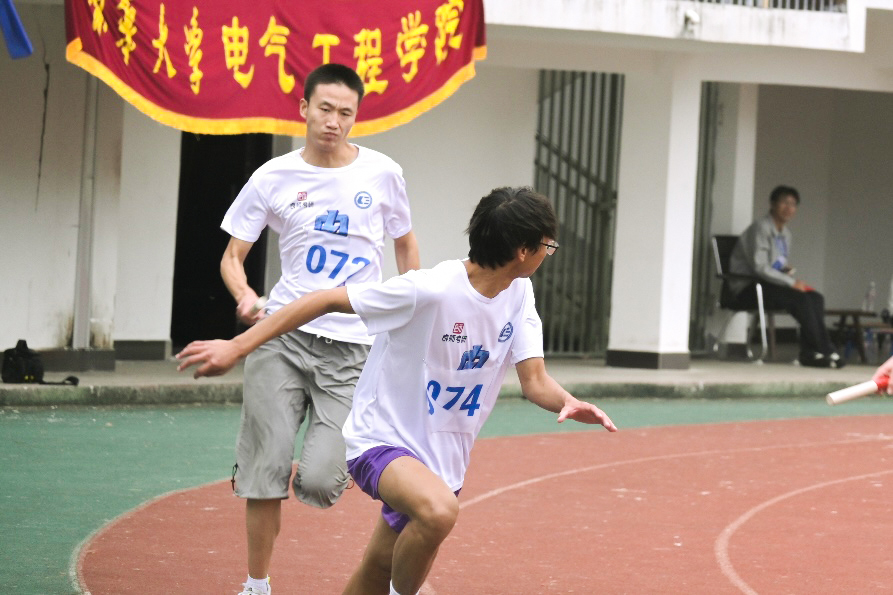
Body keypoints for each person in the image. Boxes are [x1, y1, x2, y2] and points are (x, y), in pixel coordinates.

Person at [178, 186, 617, 595]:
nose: (548, 253)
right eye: (548, 246)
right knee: (438, 512)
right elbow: (323, 300)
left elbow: (534, 381)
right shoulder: (429, 289)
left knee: (376, 568)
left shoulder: (519, 294)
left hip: (443, 457)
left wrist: (567, 401)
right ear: (524, 250)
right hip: (381, 439)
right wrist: (237, 346)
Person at [218, 63, 420, 595]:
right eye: (325, 109)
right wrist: (245, 296)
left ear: (356, 117)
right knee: (265, 469)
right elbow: (233, 256)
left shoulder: (383, 174)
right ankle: (256, 584)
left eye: (345, 113)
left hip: (352, 348)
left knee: (320, 482)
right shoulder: (273, 176)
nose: (334, 121)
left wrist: (408, 306)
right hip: (281, 336)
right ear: (304, 108)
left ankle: (317, 473)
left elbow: (404, 243)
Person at [728, 185, 842, 368]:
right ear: (773, 204)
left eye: (793, 204)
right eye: (784, 202)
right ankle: (824, 349)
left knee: (815, 298)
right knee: (800, 299)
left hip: (769, 285)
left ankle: (811, 352)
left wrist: (784, 271)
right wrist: (791, 282)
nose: (788, 208)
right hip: (749, 288)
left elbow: (773, 264)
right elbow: (760, 267)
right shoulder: (761, 228)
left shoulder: (786, 234)